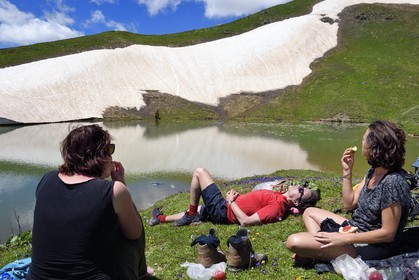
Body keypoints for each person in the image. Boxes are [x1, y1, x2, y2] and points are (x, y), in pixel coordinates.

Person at [28, 124, 153, 279]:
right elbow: (135, 233)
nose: (111, 156)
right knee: (129, 230)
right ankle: (141, 274)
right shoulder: (113, 190)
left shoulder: (47, 179)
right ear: (100, 155)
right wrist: (122, 183)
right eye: (110, 149)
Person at [286, 120, 411, 263]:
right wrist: (347, 171)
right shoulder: (373, 172)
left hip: (372, 245)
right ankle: (323, 249)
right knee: (309, 212)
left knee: (293, 241)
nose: (362, 142)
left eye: (364, 139)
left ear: (374, 147)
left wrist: (344, 238)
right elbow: (349, 203)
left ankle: (321, 251)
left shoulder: (392, 182)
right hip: (355, 228)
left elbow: (388, 234)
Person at [148, 167, 320, 227]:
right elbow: (254, 202)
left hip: (224, 211)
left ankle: (191, 214)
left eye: (303, 190)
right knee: (200, 209)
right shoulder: (279, 196)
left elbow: (245, 221)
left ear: (296, 201)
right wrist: (238, 198)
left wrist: (231, 201)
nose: (300, 186)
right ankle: (160, 219)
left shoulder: (277, 207)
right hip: (226, 206)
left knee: (199, 172)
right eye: (303, 186)